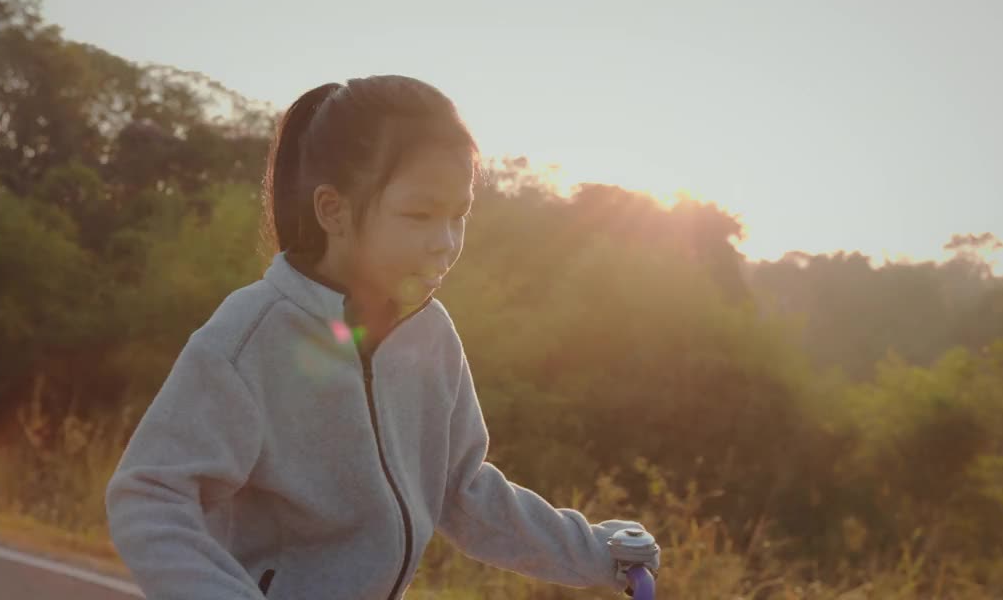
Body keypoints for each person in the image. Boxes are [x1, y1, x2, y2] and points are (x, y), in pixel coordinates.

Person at [105, 75, 660, 599]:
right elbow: (151, 494)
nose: (445, 242)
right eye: (419, 215)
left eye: (458, 215)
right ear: (334, 210)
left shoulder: (431, 335)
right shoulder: (253, 334)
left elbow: (460, 490)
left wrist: (596, 551)